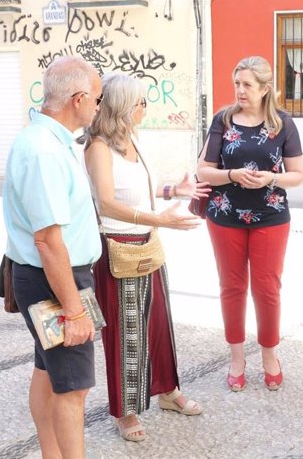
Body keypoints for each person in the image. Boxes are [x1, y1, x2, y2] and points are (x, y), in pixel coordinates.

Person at [84, 73, 208, 441]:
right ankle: (125, 411)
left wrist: (173, 189)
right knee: (125, 334)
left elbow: (135, 190)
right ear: (123, 107)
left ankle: (168, 391)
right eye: (140, 102)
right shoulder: (98, 147)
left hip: (146, 244)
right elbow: (107, 200)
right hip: (118, 248)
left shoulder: (132, 141)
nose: (145, 109)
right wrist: (158, 219)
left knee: (158, 323)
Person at [2, 56, 102, 458]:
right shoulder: (44, 150)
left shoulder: (45, 141)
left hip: (49, 274)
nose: (98, 106)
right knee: (74, 387)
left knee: (49, 372)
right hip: (56, 277)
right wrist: (75, 310)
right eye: (96, 98)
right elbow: (47, 240)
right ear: (78, 99)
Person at [196, 56, 303, 392]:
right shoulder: (223, 120)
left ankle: (269, 355)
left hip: (270, 217)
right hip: (225, 215)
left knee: (267, 288)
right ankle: (237, 356)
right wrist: (232, 174)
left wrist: (271, 179)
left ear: (264, 89)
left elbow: (299, 175)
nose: (240, 91)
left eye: (247, 85)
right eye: (237, 84)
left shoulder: (283, 123)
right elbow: (204, 170)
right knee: (231, 287)